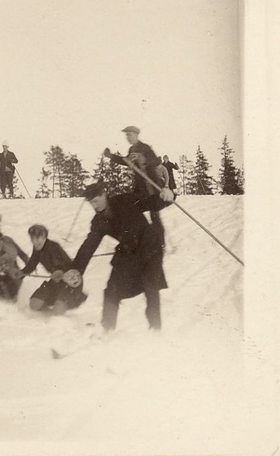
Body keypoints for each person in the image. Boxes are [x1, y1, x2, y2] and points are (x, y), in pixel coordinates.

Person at [67, 181, 172, 331]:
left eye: (96, 201)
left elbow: (151, 203)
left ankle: (155, 329)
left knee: (151, 287)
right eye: (91, 203)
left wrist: (166, 196)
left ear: (104, 195)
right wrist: (77, 269)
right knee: (112, 289)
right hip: (128, 252)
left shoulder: (124, 200)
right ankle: (107, 328)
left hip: (150, 248)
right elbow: (89, 246)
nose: (94, 206)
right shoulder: (99, 221)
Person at [22, 224, 87, 313]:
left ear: (44, 237)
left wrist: (59, 272)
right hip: (55, 282)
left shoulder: (53, 247)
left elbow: (64, 265)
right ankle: (49, 312)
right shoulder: (37, 248)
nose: (34, 241)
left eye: (37, 238)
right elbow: (32, 264)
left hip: (70, 281)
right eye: (32, 238)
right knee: (34, 304)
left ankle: (76, 298)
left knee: (58, 310)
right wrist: (21, 273)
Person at [104, 126, 168, 198]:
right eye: (126, 135)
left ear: (136, 135)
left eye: (130, 135)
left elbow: (157, 161)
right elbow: (126, 161)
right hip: (140, 185)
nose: (128, 137)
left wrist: (144, 160)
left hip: (151, 183)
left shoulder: (144, 147)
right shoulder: (131, 149)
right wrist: (111, 156)